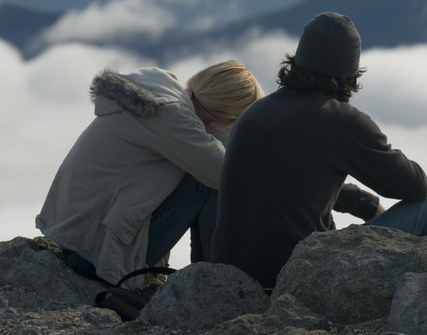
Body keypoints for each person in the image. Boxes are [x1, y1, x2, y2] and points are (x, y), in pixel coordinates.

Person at [212, 12, 427, 290]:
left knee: (324, 217)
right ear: (351, 74)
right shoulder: (343, 121)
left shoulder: (254, 113)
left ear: (296, 62)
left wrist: (366, 204)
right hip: (294, 278)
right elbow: (416, 188)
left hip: (231, 275)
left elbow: (293, 183)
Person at [36, 60, 263, 287]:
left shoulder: (161, 94)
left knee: (210, 161)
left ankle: (206, 274)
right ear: (226, 115)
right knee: (212, 178)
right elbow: (229, 176)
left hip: (75, 243)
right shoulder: (171, 118)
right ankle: (211, 282)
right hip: (94, 256)